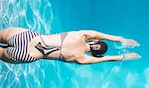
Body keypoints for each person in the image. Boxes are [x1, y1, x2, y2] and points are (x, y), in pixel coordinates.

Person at [0, 27, 141, 64]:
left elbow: (102, 35)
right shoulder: (81, 58)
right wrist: (123, 57)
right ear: (94, 53)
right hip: (27, 55)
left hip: (27, 38)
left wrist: (122, 40)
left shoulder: (81, 35)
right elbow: (105, 59)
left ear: (94, 42)